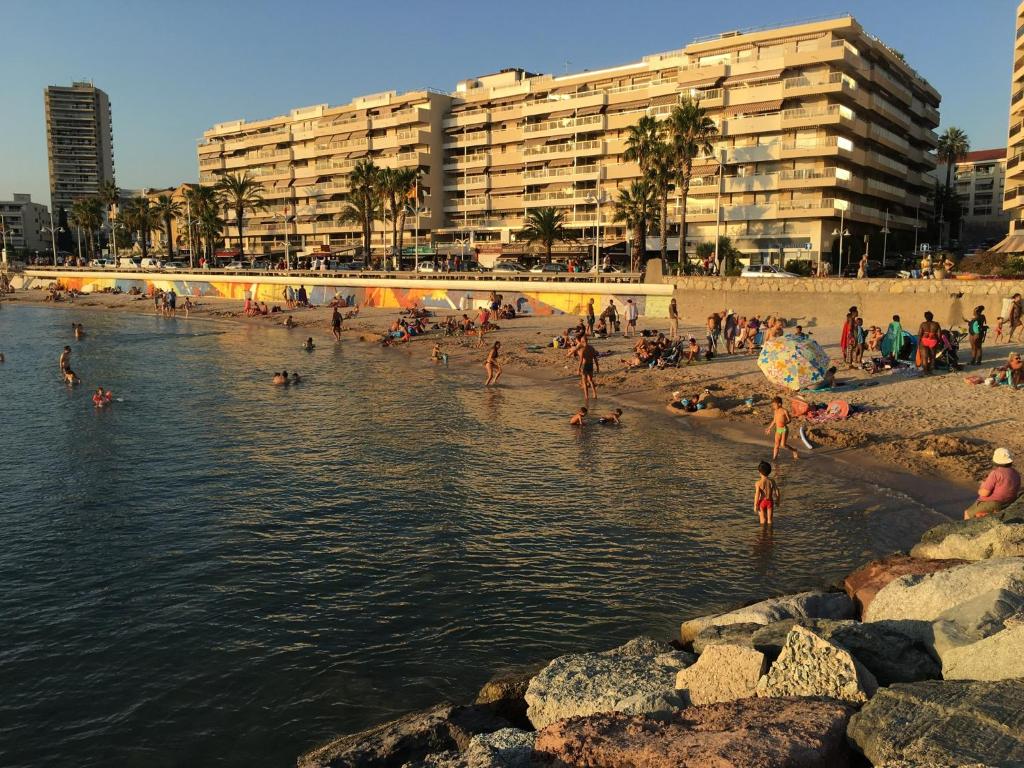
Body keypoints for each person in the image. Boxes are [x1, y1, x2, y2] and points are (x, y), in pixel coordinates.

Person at [964, 448, 1021, 519]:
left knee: (967, 513)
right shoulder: (1016, 473)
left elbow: (984, 493)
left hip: (994, 503)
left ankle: (968, 528)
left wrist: (981, 488)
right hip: (1008, 502)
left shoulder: (996, 473)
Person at [765, 396, 799, 460]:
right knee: (776, 445)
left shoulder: (784, 411)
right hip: (778, 429)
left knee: (783, 445)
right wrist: (769, 428)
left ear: (779, 404)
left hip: (783, 429)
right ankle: (774, 458)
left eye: (774, 405)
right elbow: (774, 420)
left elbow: (789, 420)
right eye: (773, 405)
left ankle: (794, 450)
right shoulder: (775, 411)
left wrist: (785, 423)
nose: (773, 406)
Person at [753, 460, 780, 526]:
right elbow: (777, 491)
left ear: (759, 472)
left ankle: (763, 534)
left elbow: (757, 495)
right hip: (770, 502)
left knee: (762, 520)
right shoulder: (772, 481)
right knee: (770, 520)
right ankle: (770, 532)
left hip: (762, 502)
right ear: (769, 472)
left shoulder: (758, 483)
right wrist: (778, 500)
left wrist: (755, 505)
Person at [577, 335, 599, 400]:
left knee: (584, 381)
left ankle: (586, 397)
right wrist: (597, 367)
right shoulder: (592, 348)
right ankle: (594, 394)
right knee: (591, 380)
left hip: (585, 365)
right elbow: (595, 358)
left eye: (581, 341)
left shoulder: (582, 350)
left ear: (582, 341)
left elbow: (581, 360)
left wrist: (578, 369)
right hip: (591, 365)